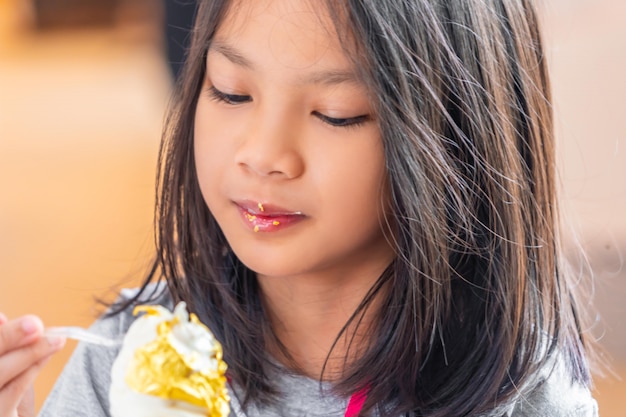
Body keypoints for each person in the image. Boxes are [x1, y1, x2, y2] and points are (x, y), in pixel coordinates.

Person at [0, 0, 599, 415]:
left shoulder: (527, 396)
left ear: (455, 134)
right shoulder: (132, 355)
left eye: (335, 113)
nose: (262, 156)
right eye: (231, 92)